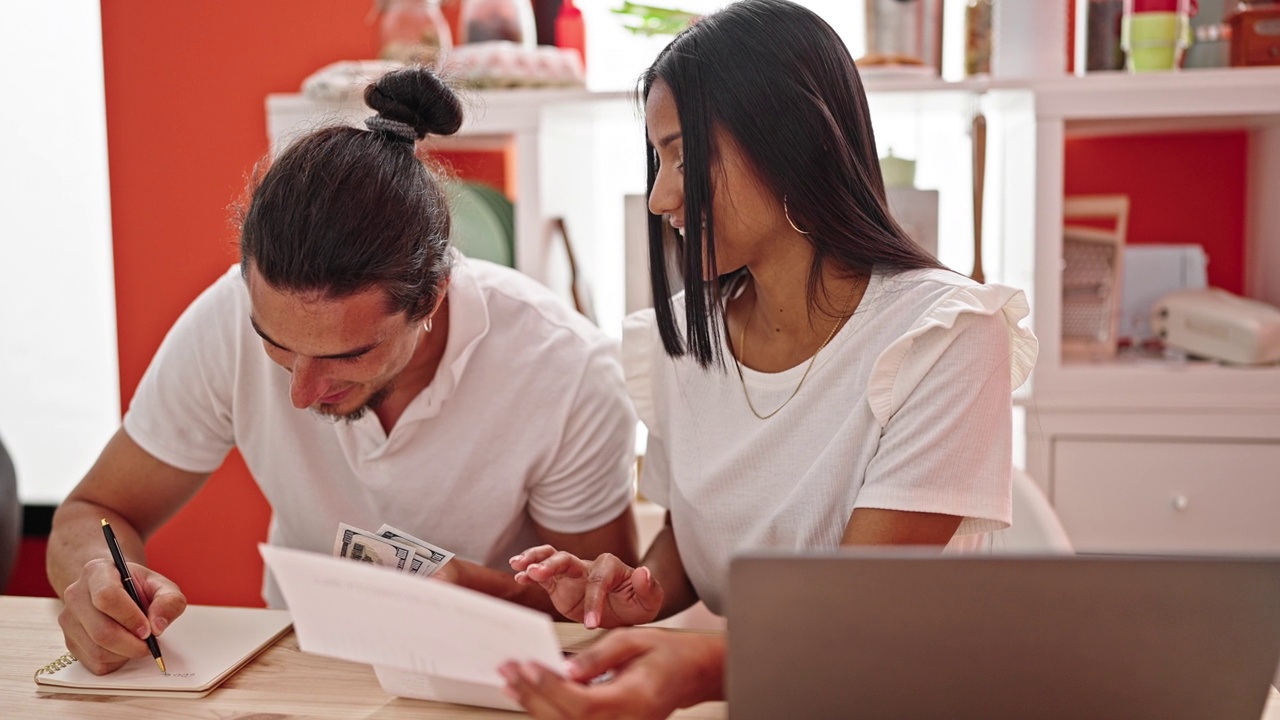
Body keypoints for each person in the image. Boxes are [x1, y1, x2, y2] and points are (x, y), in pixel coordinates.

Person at [499, 0, 1038, 716]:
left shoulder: (947, 333)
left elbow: (857, 614)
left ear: (794, 141)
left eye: (685, 158)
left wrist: (697, 670)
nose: (661, 196)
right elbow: (693, 544)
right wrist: (633, 593)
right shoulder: (686, 337)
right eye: (658, 160)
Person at [47, 66, 640, 675]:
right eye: (273, 341)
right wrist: (97, 581)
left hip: (492, 679)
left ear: (433, 297)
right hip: (300, 667)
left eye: (348, 354)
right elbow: (92, 512)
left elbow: (598, 615)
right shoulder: (226, 317)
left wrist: (473, 588)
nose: (301, 394)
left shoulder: (564, 369)